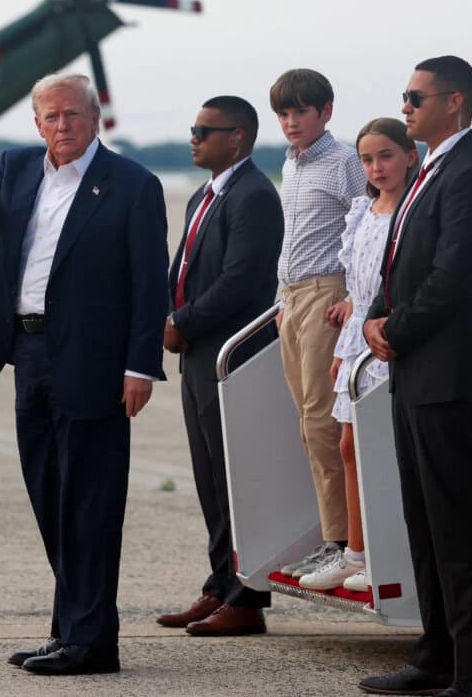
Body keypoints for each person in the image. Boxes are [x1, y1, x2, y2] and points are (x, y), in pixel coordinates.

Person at [0, 74, 169, 675]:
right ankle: (71, 630)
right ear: (37, 124)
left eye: (74, 115)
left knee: (90, 503)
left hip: (96, 362)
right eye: (51, 116)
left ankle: (91, 642)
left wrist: (141, 364)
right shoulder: (17, 168)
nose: (63, 126)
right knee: (50, 498)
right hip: (28, 354)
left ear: (97, 119)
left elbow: (150, 286)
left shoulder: (133, 185)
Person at [360, 56, 472, 697]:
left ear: (454, 102)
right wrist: (375, 313)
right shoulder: (432, 169)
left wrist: (394, 330)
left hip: (448, 371)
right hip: (418, 369)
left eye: (414, 97)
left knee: (458, 526)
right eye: (404, 96)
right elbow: (403, 259)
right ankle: (437, 655)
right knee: (423, 521)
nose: (405, 106)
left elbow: (456, 276)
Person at [157, 96, 283, 635]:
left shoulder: (253, 195)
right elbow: (186, 266)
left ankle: (247, 600)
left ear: (237, 138)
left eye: (204, 131)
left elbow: (242, 282)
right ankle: (219, 584)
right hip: (199, 352)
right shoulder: (204, 197)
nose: (194, 138)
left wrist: (182, 321)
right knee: (208, 477)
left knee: (234, 481)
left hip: (229, 354)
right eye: (193, 128)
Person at [297, 118, 417, 592]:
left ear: (409, 155)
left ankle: (384, 551)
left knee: (380, 449)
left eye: (386, 155)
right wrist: (345, 344)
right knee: (349, 447)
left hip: (388, 340)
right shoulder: (363, 212)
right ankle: (356, 551)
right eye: (367, 159)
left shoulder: (413, 208)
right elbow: (357, 284)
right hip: (357, 341)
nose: (376, 166)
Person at [269, 69, 367, 578]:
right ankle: (336, 537)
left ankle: (344, 542)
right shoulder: (292, 164)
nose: (290, 122)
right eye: (283, 114)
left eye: (299, 112)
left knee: (324, 421)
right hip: (294, 300)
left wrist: (354, 296)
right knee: (309, 424)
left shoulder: (345, 160)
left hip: (328, 296)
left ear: (325, 111)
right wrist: (281, 299)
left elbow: (370, 222)